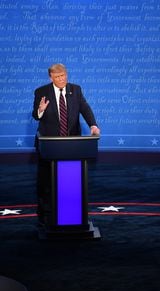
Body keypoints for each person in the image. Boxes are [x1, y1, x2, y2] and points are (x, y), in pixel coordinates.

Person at [32, 63, 100, 225]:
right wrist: (40, 110)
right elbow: (36, 115)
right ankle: (45, 216)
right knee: (45, 182)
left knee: (71, 182)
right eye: (57, 77)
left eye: (63, 76)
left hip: (72, 146)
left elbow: (85, 108)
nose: (61, 79)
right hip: (48, 146)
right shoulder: (41, 92)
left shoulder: (75, 90)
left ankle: (73, 214)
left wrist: (93, 124)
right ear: (51, 78)